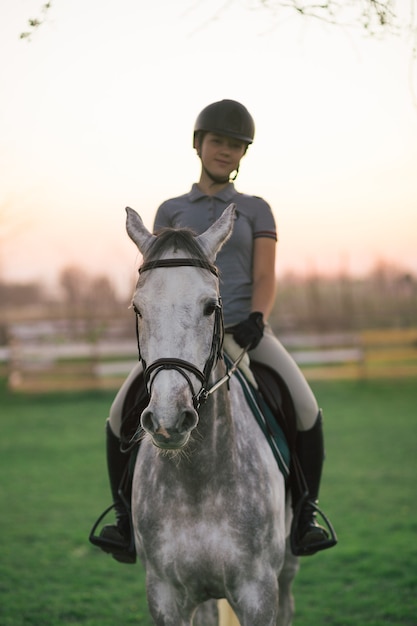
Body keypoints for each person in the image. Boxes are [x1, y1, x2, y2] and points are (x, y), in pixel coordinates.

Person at [92, 99, 336, 564]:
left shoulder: (256, 210)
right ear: (199, 145)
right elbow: (159, 278)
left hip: (245, 332)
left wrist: (258, 319)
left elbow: (265, 276)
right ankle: (124, 522)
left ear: (244, 154)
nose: (225, 151)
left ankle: (305, 518)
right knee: (119, 411)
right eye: (218, 141)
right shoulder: (170, 208)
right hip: (184, 340)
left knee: (305, 408)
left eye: (236, 145)